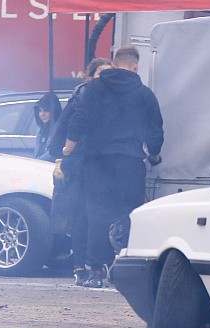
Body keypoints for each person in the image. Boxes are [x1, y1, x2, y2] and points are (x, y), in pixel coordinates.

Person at [63, 46, 163, 289]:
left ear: (115, 64)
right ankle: (127, 270)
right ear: (136, 66)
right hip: (130, 164)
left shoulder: (94, 89)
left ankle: (96, 271)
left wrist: (68, 150)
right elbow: (155, 131)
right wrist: (154, 155)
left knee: (97, 215)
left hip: (97, 163)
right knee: (129, 215)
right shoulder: (145, 94)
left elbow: (79, 120)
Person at [49, 58, 111, 285]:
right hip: (80, 167)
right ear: (89, 77)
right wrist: (62, 156)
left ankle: (93, 266)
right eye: (100, 74)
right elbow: (64, 128)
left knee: (94, 217)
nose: (105, 80)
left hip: (99, 166)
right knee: (81, 217)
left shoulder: (110, 98)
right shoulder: (82, 95)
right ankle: (81, 268)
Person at [32, 91, 63, 160]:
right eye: (40, 111)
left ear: (54, 111)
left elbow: (54, 153)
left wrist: (38, 162)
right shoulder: (41, 130)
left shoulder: (61, 131)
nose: (42, 114)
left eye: (46, 110)